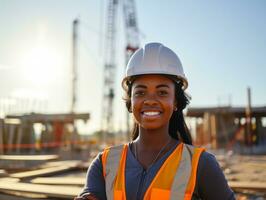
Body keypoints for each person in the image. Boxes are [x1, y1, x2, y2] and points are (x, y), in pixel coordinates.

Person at [75, 42, 235, 200]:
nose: (150, 100)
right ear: (130, 102)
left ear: (176, 102)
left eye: (162, 92)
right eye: (140, 92)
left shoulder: (201, 165)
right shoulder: (104, 163)